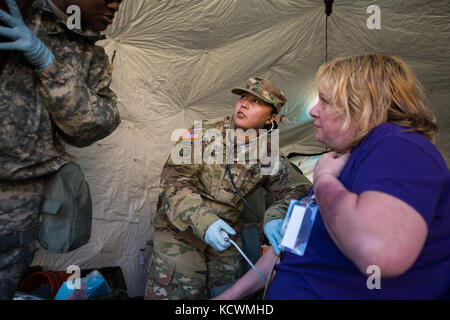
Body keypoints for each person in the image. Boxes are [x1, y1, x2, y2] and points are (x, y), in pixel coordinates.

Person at [214, 53, 450, 300]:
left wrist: (324, 180)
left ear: (361, 107)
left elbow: (380, 251)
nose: (314, 111)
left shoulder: (397, 145)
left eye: (324, 101)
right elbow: (288, 248)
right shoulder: (345, 161)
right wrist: (229, 298)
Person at [145, 77, 312, 300]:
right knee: (181, 293)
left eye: (256, 101)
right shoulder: (201, 132)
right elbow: (174, 182)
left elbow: (300, 190)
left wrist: (275, 216)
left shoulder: (268, 155)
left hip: (226, 237)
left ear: (271, 117)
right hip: (180, 231)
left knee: (229, 295)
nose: (243, 104)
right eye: (243, 97)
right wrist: (205, 221)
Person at [0, 0, 123, 299]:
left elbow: (93, 125)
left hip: (18, 203)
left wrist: (47, 62)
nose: (116, 4)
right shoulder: (16, 11)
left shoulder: (88, 52)